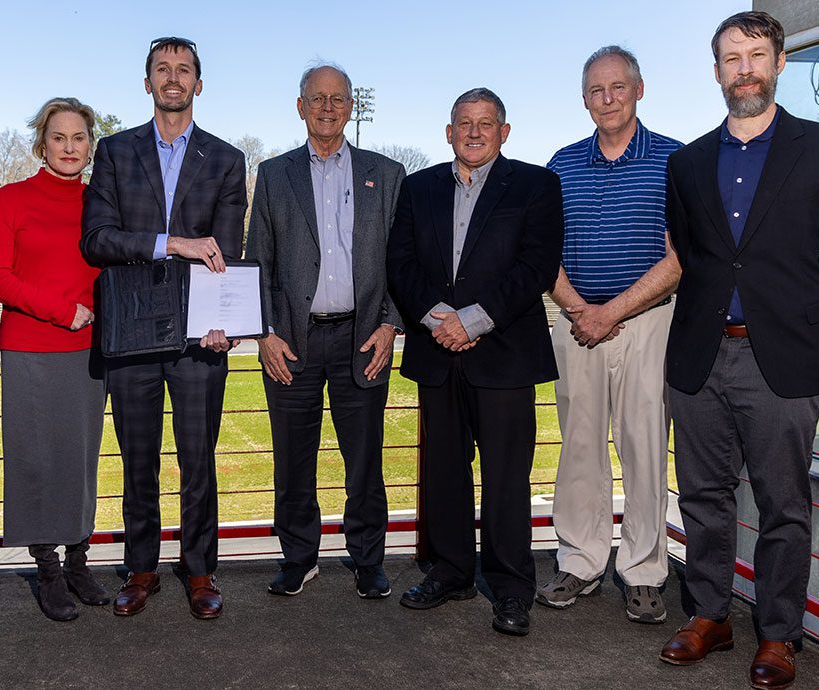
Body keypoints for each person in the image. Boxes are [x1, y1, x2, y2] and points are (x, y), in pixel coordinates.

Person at [659, 12, 819, 689]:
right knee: (702, 497)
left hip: (780, 357)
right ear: (717, 71)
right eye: (731, 57)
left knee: (783, 505)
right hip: (699, 356)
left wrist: (800, 319)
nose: (744, 68)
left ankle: (779, 634)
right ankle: (710, 616)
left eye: (756, 55)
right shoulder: (687, 162)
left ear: (778, 62)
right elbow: (692, 254)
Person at [386, 88, 563, 636]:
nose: (475, 132)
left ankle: (511, 590)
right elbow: (401, 262)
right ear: (449, 131)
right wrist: (442, 320)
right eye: (465, 122)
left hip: (504, 355)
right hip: (439, 351)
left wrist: (475, 320)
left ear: (504, 132)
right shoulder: (418, 188)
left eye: (486, 123)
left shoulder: (536, 184)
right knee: (443, 472)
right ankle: (451, 572)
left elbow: (537, 266)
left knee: (507, 478)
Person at [81, 36, 246, 620]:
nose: (173, 78)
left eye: (184, 70)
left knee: (198, 457)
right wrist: (170, 243)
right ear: (146, 81)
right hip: (130, 333)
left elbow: (227, 251)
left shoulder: (226, 159)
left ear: (199, 84)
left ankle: (200, 570)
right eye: (162, 69)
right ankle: (141, 567)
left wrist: (222, 321)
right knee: (138, 458)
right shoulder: (115, 152)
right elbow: (97, 240)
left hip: (200, 337)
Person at [246, 63, 405, 598]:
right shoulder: (273, 174)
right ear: (300, 106)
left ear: (352, 106)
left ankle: (367, 559)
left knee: (364, 459)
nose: (329, 107)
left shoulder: (386, 175)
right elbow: (258, 261)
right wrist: (264, 332)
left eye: (339, 98)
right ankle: (298, 557)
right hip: (292, 340)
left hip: (362, 339)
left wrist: (390, 324)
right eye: (318, 98)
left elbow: (403, 263)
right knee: (293, 459)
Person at [540, 46, 682, 623]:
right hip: (575, 323)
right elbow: (542, 252)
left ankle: (645, 570)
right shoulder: (562, 163)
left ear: (639, 90)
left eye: (618, 87)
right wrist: (581, 310)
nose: (607, 99)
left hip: (648, 323)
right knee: (578, 448)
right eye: (596, 90)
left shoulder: (675, 160)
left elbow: (680, 258)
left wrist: (614, 311)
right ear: (583, 98)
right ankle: (580, 561)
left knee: (644, 445)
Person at [0, 97, 109, 622]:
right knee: (37, 459)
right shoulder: (11, 199)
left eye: (78, 138)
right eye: (58, 137)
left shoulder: (102, 201)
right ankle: (48, 570)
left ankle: (79, 561)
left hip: (92, 351)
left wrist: (96, 315)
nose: (69, 147)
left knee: (81, 458)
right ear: (42, 143)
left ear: (90, 145)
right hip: (33, 347)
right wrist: (65, 311)